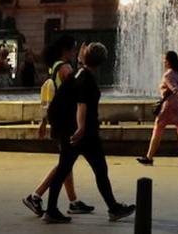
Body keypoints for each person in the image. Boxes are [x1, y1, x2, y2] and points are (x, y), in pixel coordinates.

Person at [44, 42, 136, 223]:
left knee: (68, 168)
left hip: (69, 128)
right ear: (101, 62)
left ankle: (52, 210)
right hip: (80, 133)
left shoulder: (79, 73)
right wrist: (81, 127)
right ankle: (112, 208)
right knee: (96, 169)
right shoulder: (86, 79)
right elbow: (81, 105)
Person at [24, 37, 93, 218]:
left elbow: (51, 96)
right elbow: (78, 86)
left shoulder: (54, 67)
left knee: (66, 162)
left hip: (59, 121)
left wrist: (44, 121)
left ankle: (73, 201)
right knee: (65, 163)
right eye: (73, 49)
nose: (73, 52)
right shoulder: (64, 68)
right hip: (66, 122)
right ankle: (36, 195)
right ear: (67, 50)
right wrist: (82, 61)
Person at [136, 51, 178, 166]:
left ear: (169, 61)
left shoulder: (168, 74)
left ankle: (149, 157)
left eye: (165, 59)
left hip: (168, 106)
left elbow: (174, 89)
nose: (163, 61)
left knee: (158, 130)